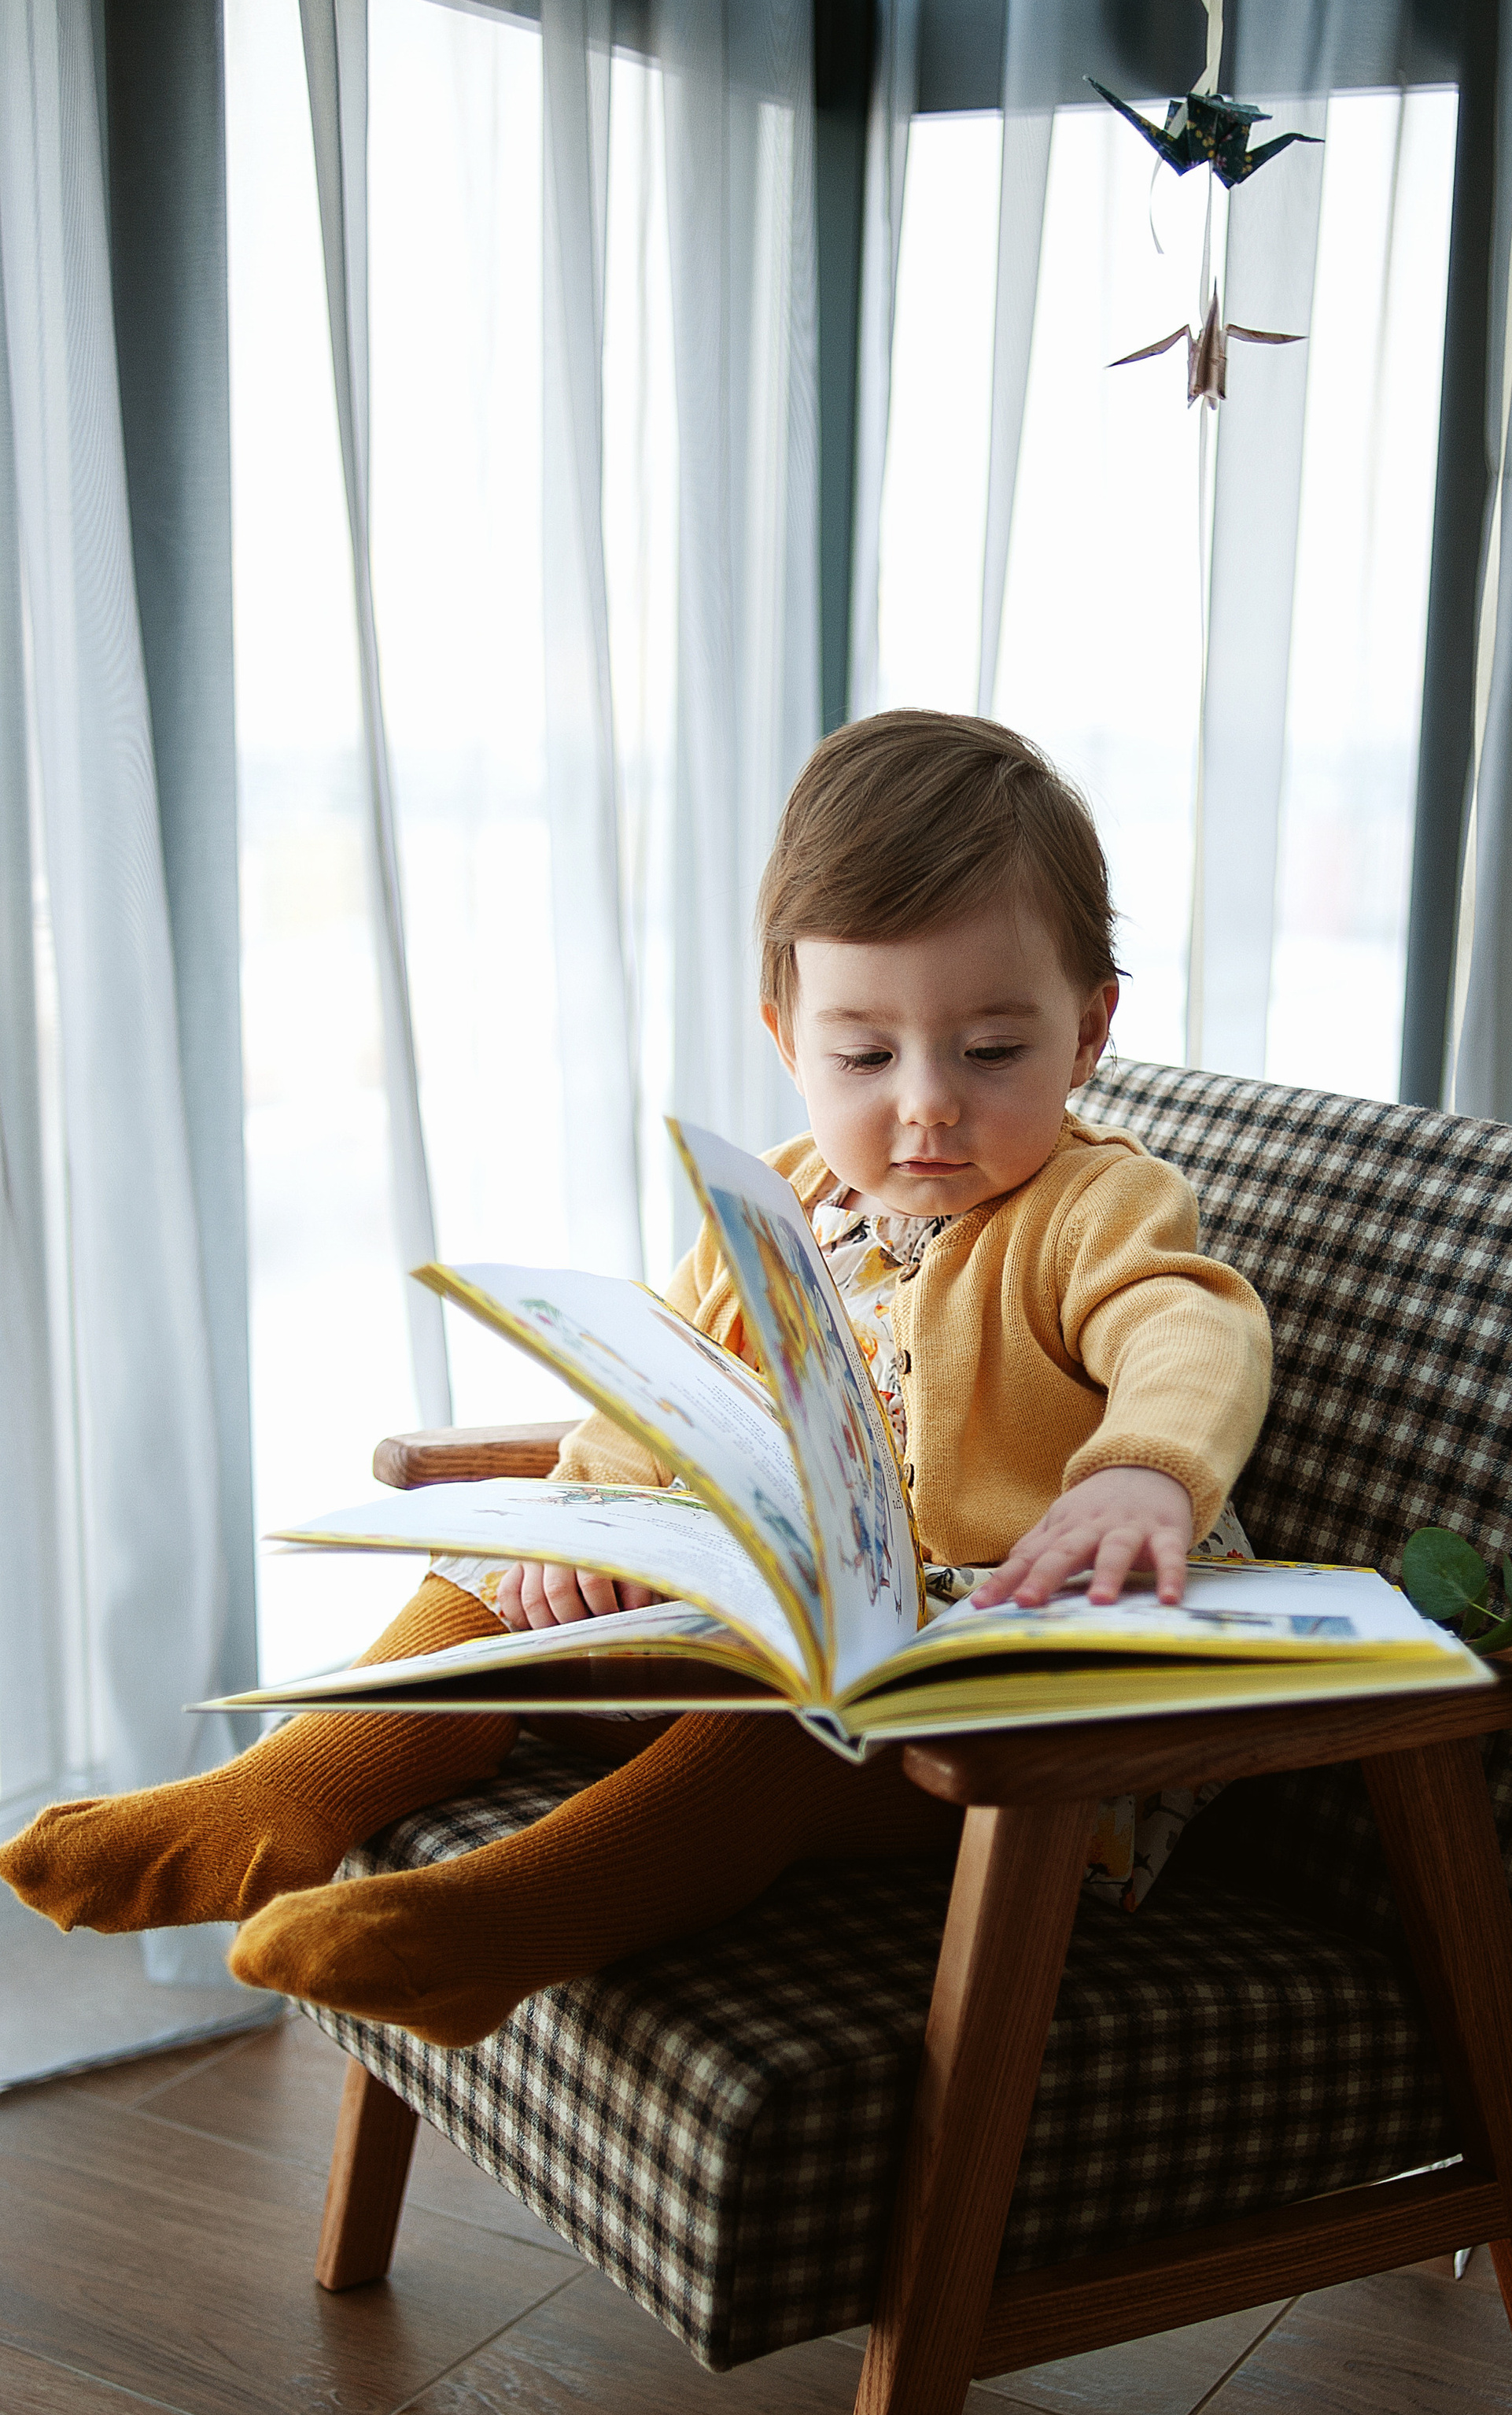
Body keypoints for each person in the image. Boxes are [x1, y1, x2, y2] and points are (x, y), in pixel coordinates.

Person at [1, 713, 1271, 2047]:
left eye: (991, 1051)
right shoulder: (786, 1203)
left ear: (1088, 1030)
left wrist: (1144, 1471)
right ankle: (287, 1794)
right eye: (865, 1055)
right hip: (785, 1640)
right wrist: (581, 1529)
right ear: (788, 1035)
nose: (926, 1106)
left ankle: (497, 1924)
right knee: (481, 1589)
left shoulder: (1096, 1206)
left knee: (787, 1734)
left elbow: (1191, 1329)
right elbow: (653, 1386)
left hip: (1003, 1738)